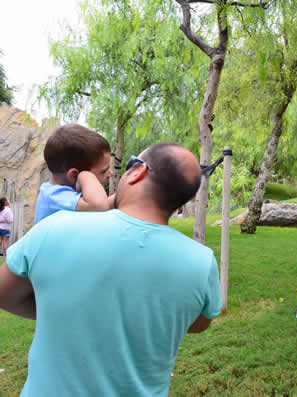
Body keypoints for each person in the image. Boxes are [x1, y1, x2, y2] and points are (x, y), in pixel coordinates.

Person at [0, 142, 222, 397]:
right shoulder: (201, 263)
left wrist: (64, 309)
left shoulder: (56, 228)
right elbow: (197, 323)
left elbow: (3, 293)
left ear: (137, 171)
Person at [34, 123, 114, 224]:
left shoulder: (65, 195)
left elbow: (105, 204)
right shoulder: (52, 196)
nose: (110, 174)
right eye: (104, 171)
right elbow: (100, 205)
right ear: (74, 175)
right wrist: (85, 175)